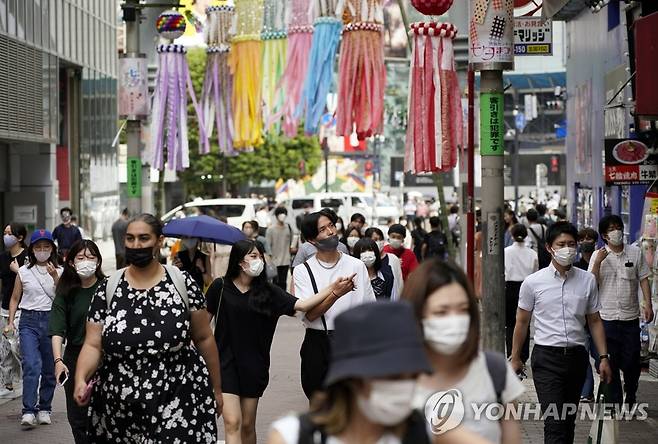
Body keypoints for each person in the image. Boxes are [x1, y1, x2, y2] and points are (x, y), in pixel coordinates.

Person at [73, 214, 222, 442]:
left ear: (159, 241)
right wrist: (81, 379)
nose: (136, 245)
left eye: (144, 238)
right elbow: (93, 343)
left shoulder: (181, 283)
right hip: (119, 405)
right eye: (130, 239)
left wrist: (217, 389)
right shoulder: (108, 289)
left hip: (177, 396)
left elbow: (204, 338)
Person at [267, 301, 489, 444]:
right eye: (390, 376)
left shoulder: (428, 432)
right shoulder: (294, 436)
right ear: (352, 379)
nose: (404, 387)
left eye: (412, 376)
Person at [206, 239, 339, 444]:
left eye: (260, 256)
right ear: (240, 261)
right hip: (225, 363)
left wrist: (332, 289)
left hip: (254, 365)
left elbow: (302, 305)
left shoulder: (268, 292)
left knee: (248, 425)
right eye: (253, 256)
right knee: (233, 422)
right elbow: (202, 328)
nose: (258, 260)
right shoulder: (220, 287)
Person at [511, 222, 612, 444]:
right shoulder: (533, 283)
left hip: (576, 359)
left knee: (568, 420)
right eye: (561, 244)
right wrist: (516, 356)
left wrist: (603, 357)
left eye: (571, 244)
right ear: (549, 248)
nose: (568, 249)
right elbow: (522, 321)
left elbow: (594, 320)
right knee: (554, 422)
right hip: (546, 359)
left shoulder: (587, 281)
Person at [404, 259, 525, 444]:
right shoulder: (392, 381)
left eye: (463, 310)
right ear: (416, 315)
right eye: (441, 312)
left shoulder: (496, 371)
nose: (455, 320)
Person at [293, 209, 375, 399]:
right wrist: (335, 294)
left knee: (352, 406)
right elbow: (310, 314)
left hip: (352, 341)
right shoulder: (303, 271)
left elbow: (370, 308)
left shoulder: (356, 265)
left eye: (331, 225)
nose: (330, 232)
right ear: (312, 240)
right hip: (318, 343)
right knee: (320, 406)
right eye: (323, 229)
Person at [588, 214, 653, 407]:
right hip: (606, 318)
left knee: (632, 362)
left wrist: (647, 304)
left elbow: (643, 278)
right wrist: (598, 262)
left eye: (618, 227)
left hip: (630, 318)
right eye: (610, 229)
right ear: (604, 235)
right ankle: (614, 401)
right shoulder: (597, 255)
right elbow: (591, 284)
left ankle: (631, 392)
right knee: (611, 361)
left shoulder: (635, 253)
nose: (616, 231)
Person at [4, 229, 62, 428]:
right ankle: (28, 411)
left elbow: (63, 297)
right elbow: (14, 298)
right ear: (32, 249)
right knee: (31, 366)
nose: (42, 250)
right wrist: (11, 321)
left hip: (51, 321)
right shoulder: (24, 271)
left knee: (48, 369)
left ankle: (44, 408)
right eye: (38, 247)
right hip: (28, 321)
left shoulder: (59, 270)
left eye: (46, 247)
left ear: (52, 249)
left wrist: (54, 276)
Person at [48, 239, 105, 443]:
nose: (86, 261)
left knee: (106, 415)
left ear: (98, 262)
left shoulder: (108, 289)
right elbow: (57, 330)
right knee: (78, 418)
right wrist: (58, 361)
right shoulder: (65, 292)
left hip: (106, 359)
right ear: (71, 262)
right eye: (81, 258)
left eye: (91, 257)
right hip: (74, 358)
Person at [0, 223, 28, 398]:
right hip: (4, 308)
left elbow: (33, 282)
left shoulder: (27, 257)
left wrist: (19, 271)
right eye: (4, 233)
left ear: (20, 237)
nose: (6, 236)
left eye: (9, 233)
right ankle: (7, 383)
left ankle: (30, 381)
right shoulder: (3, 257)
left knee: (19, 347)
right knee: (4, 350)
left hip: (22, 309)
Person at [504, 224, 537, 366]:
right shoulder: (532, 253)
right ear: (526, 236)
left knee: (510, 324)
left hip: (510, 288)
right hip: (527, 287)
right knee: (525, 322)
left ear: (512, 235)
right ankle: (523, 355)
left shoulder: (506, 252)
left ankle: (511, 353)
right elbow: (536, 272)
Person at [576, 227, 599, 403]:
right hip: (581, 319)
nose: (585, 241)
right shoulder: (575, 267)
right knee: (583, 358)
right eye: (582, 238)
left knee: (601, 358)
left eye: (589, 238)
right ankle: (587, 392)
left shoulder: (602, 262)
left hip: (599, 318)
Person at [364, 227, 403, 297]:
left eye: (380, 239)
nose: (378, 242)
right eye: (375, 239)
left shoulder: (393, 259)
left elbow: (399, 283)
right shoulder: (366, 260)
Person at [266, 207, 295, 290]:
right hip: (274, 261)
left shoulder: (289, 228)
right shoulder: (270, 230)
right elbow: (268, 246)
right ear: (276, 216)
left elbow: (292, 242)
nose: (282, 216)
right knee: (275, 283)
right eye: (280, 214)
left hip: (286, 260)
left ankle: (283, 300)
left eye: (284, 214)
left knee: (283, 282)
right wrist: (269, 260)